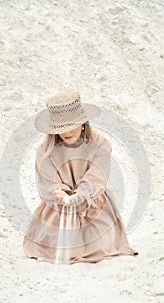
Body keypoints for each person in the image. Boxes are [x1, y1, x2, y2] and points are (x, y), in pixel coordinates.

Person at [23, 91, 138, 264]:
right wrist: (60, 193)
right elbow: (47, 181)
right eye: (61, 128)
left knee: (97, 245)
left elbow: (96, 176)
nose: (67, 132)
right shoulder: (45, 151)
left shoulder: (100, 144)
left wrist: (81, 195)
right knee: (54, 246)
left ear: (83, 122)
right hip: (59, 209)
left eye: (72, 125)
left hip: (93, 205)